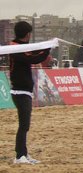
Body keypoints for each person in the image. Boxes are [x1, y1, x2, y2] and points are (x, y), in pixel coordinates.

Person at [9, 21, 50, 164]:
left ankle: (23, 154)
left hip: (24, 91)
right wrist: (48, 49)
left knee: (25, 125)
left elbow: (34, 54)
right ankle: (19, 156)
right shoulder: (14, 47)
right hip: (19, 91)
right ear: (27, 34)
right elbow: (34, 58)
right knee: (24, 125)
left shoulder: (21, 47)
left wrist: (46, 47)